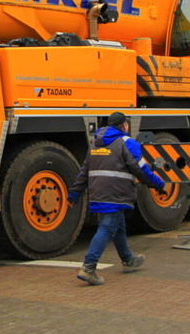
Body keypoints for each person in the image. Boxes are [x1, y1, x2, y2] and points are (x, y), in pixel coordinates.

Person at [68, 112, 165, 286]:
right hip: (117, 193)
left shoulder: (95, 144)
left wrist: (74, 194)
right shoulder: (127, 142)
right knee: (106, 228)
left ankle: (128, 260)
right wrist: (158, 184)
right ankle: (89, 268)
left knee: (118, 226)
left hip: (98, 192)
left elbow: (84, 172)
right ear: (125, 126)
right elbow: (141, 169)